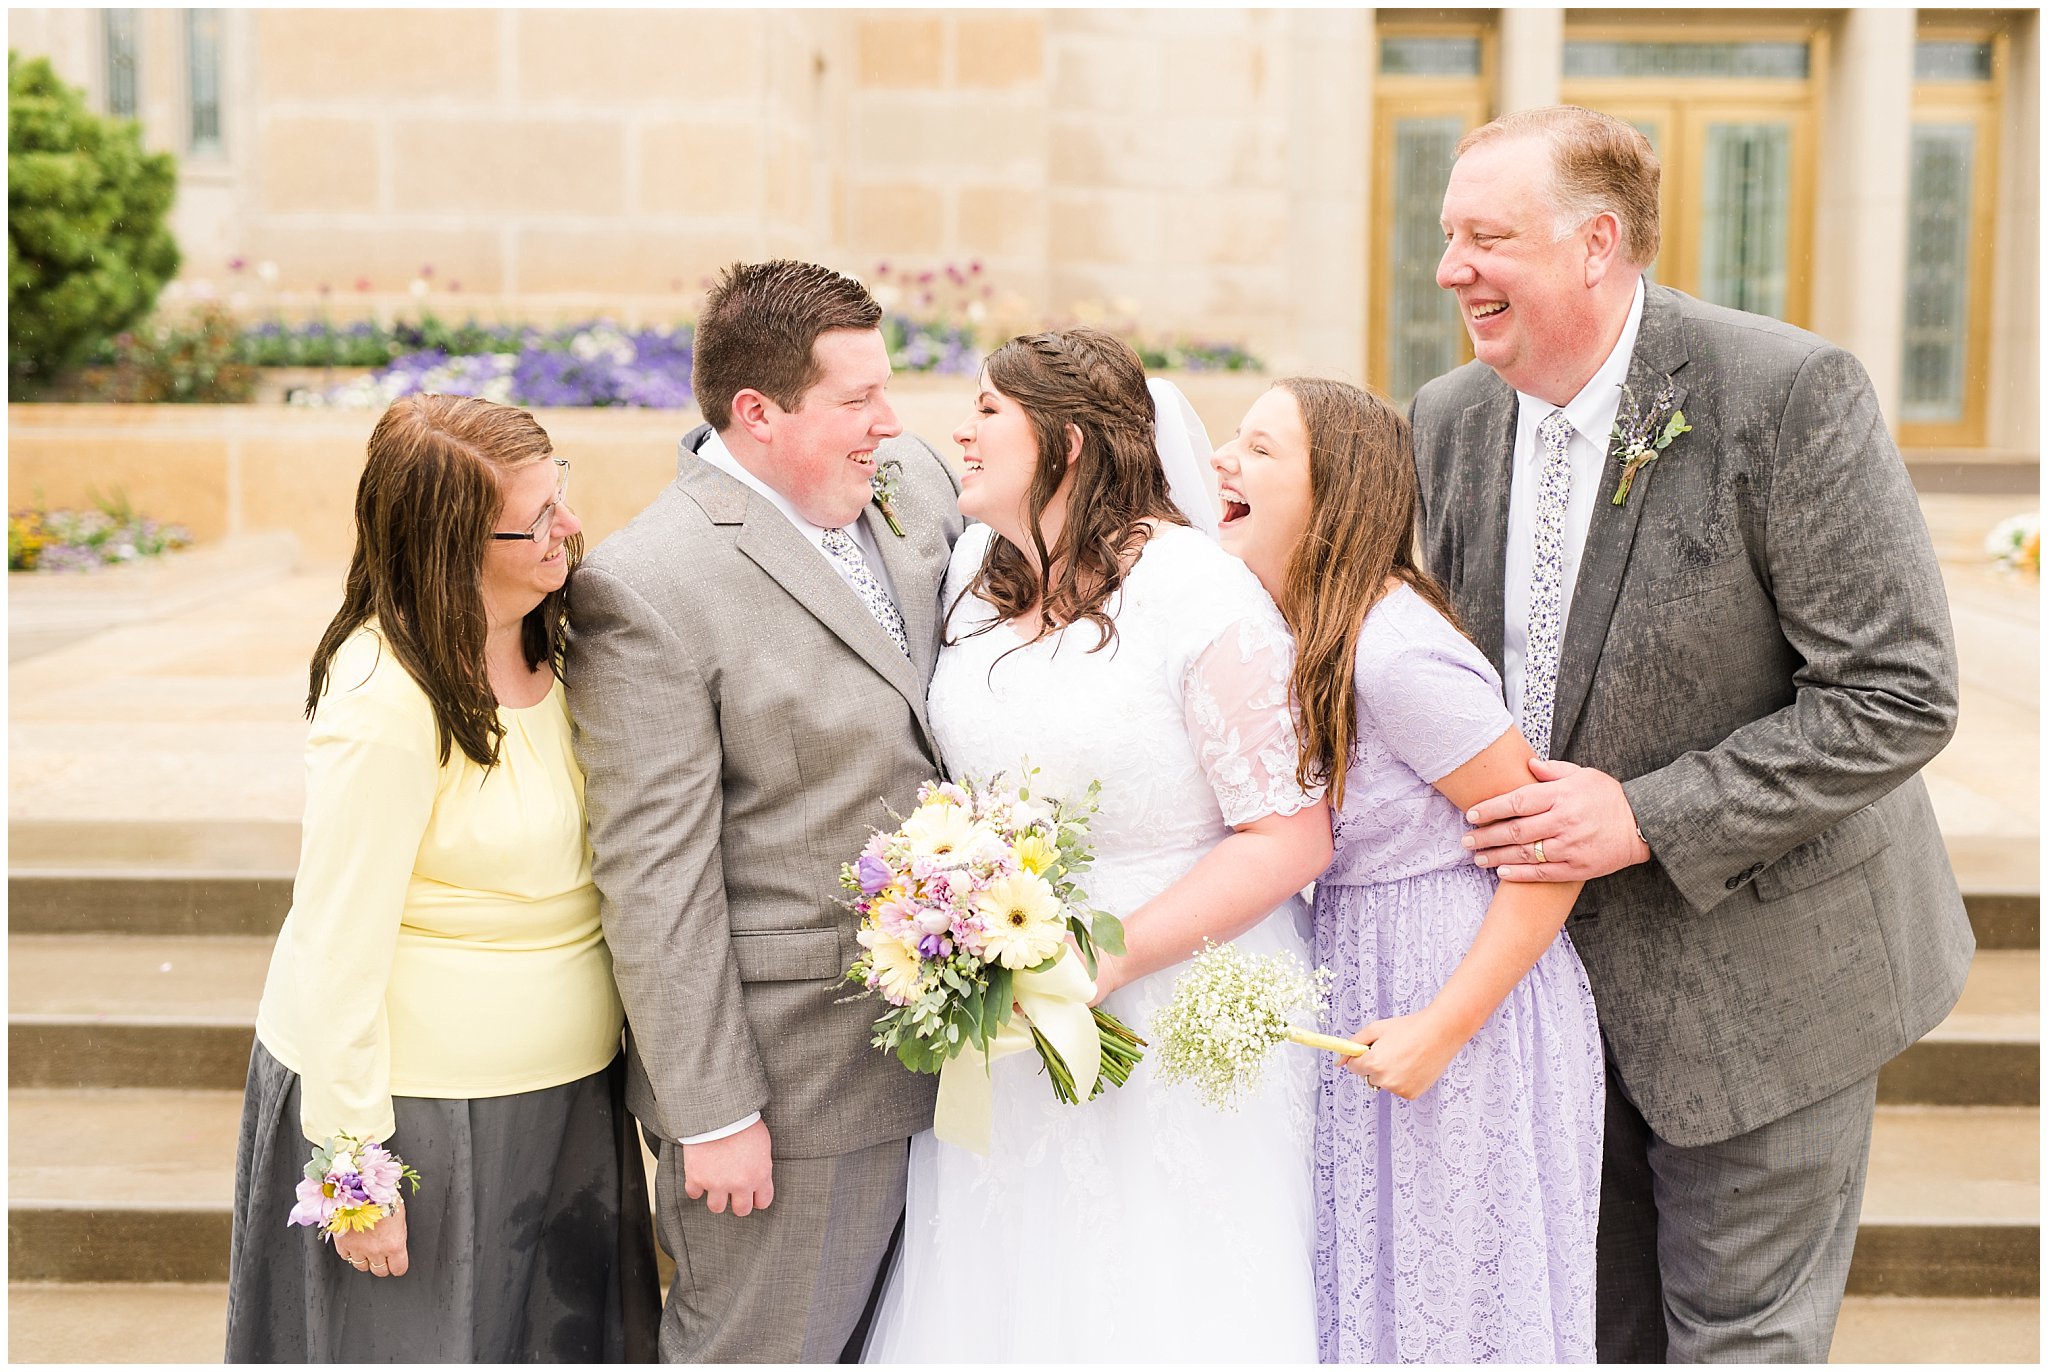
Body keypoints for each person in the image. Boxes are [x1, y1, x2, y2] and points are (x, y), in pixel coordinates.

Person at [1412, 104, 1974, 1361]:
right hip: (1547, 994)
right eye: (1445, 236)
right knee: (1585, 1336)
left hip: (1769, 985)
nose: (1449, 269)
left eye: (1483, 238)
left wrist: (1642, 813)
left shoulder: (1783, 394)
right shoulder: (1447, 420)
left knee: (1738, 1347)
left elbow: (1896, 691)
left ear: (1596, 242)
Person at [863, 329, 1333, 1362]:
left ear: (1064, 443)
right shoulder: (967, 581)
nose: (959, 432)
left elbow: (1290, 836)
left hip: (1170, 1016)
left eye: (988, 410)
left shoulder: (1193, 592)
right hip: (1005, 1022)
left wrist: (1107, 956)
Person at [565, 260, 965, 1363]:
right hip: (793, 1098)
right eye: (856, 401)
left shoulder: (910, 484)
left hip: (961, 1068)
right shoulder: (646, 585)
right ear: (758, 413)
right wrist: (713, 1113)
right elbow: (656, 878)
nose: (888, 423)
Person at [225, 393, 659, 1361]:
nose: (570, 529)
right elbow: (338, 946)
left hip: (570, 1107)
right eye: (536, 518)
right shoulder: (383, 702)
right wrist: (354, 1170)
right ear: (448, 542)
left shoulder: (566, 635)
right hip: (426, 1126)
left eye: (563, 498)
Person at [1210, 376, 1603, 1362]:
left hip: (1463, 1004)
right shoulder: (1297, 629)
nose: (1222, 461)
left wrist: (1440, 1027)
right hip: (1365, 979)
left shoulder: (1396, 651)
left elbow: (1551, 856)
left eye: (1259, 450)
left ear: (1333, 491)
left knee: (1455, 1313)